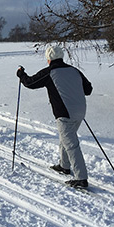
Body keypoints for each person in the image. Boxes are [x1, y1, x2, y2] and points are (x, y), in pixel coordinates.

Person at [16, 45, 93, 188]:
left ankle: (81, 178)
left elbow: (30, 83)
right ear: (61, 56)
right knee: (66, 137)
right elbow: (88, 89)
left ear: (49, 59)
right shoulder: (74, 70)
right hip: (81, 111)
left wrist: (21, 75)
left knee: (71, 144)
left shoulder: (50, 72)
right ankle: (64, 166)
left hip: (65, 113)